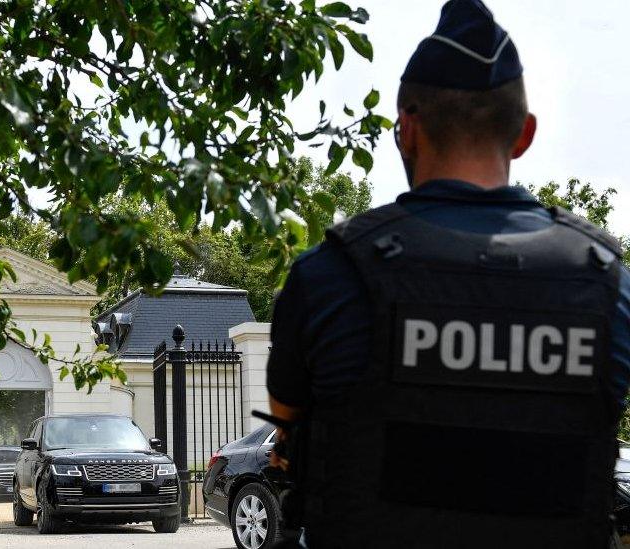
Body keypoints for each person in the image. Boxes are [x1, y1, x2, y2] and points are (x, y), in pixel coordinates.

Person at [266, 1, 630, 548]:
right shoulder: (608, 286)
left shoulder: (331, 275)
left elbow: (286, 418)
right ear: (524, 134)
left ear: (407, 130)